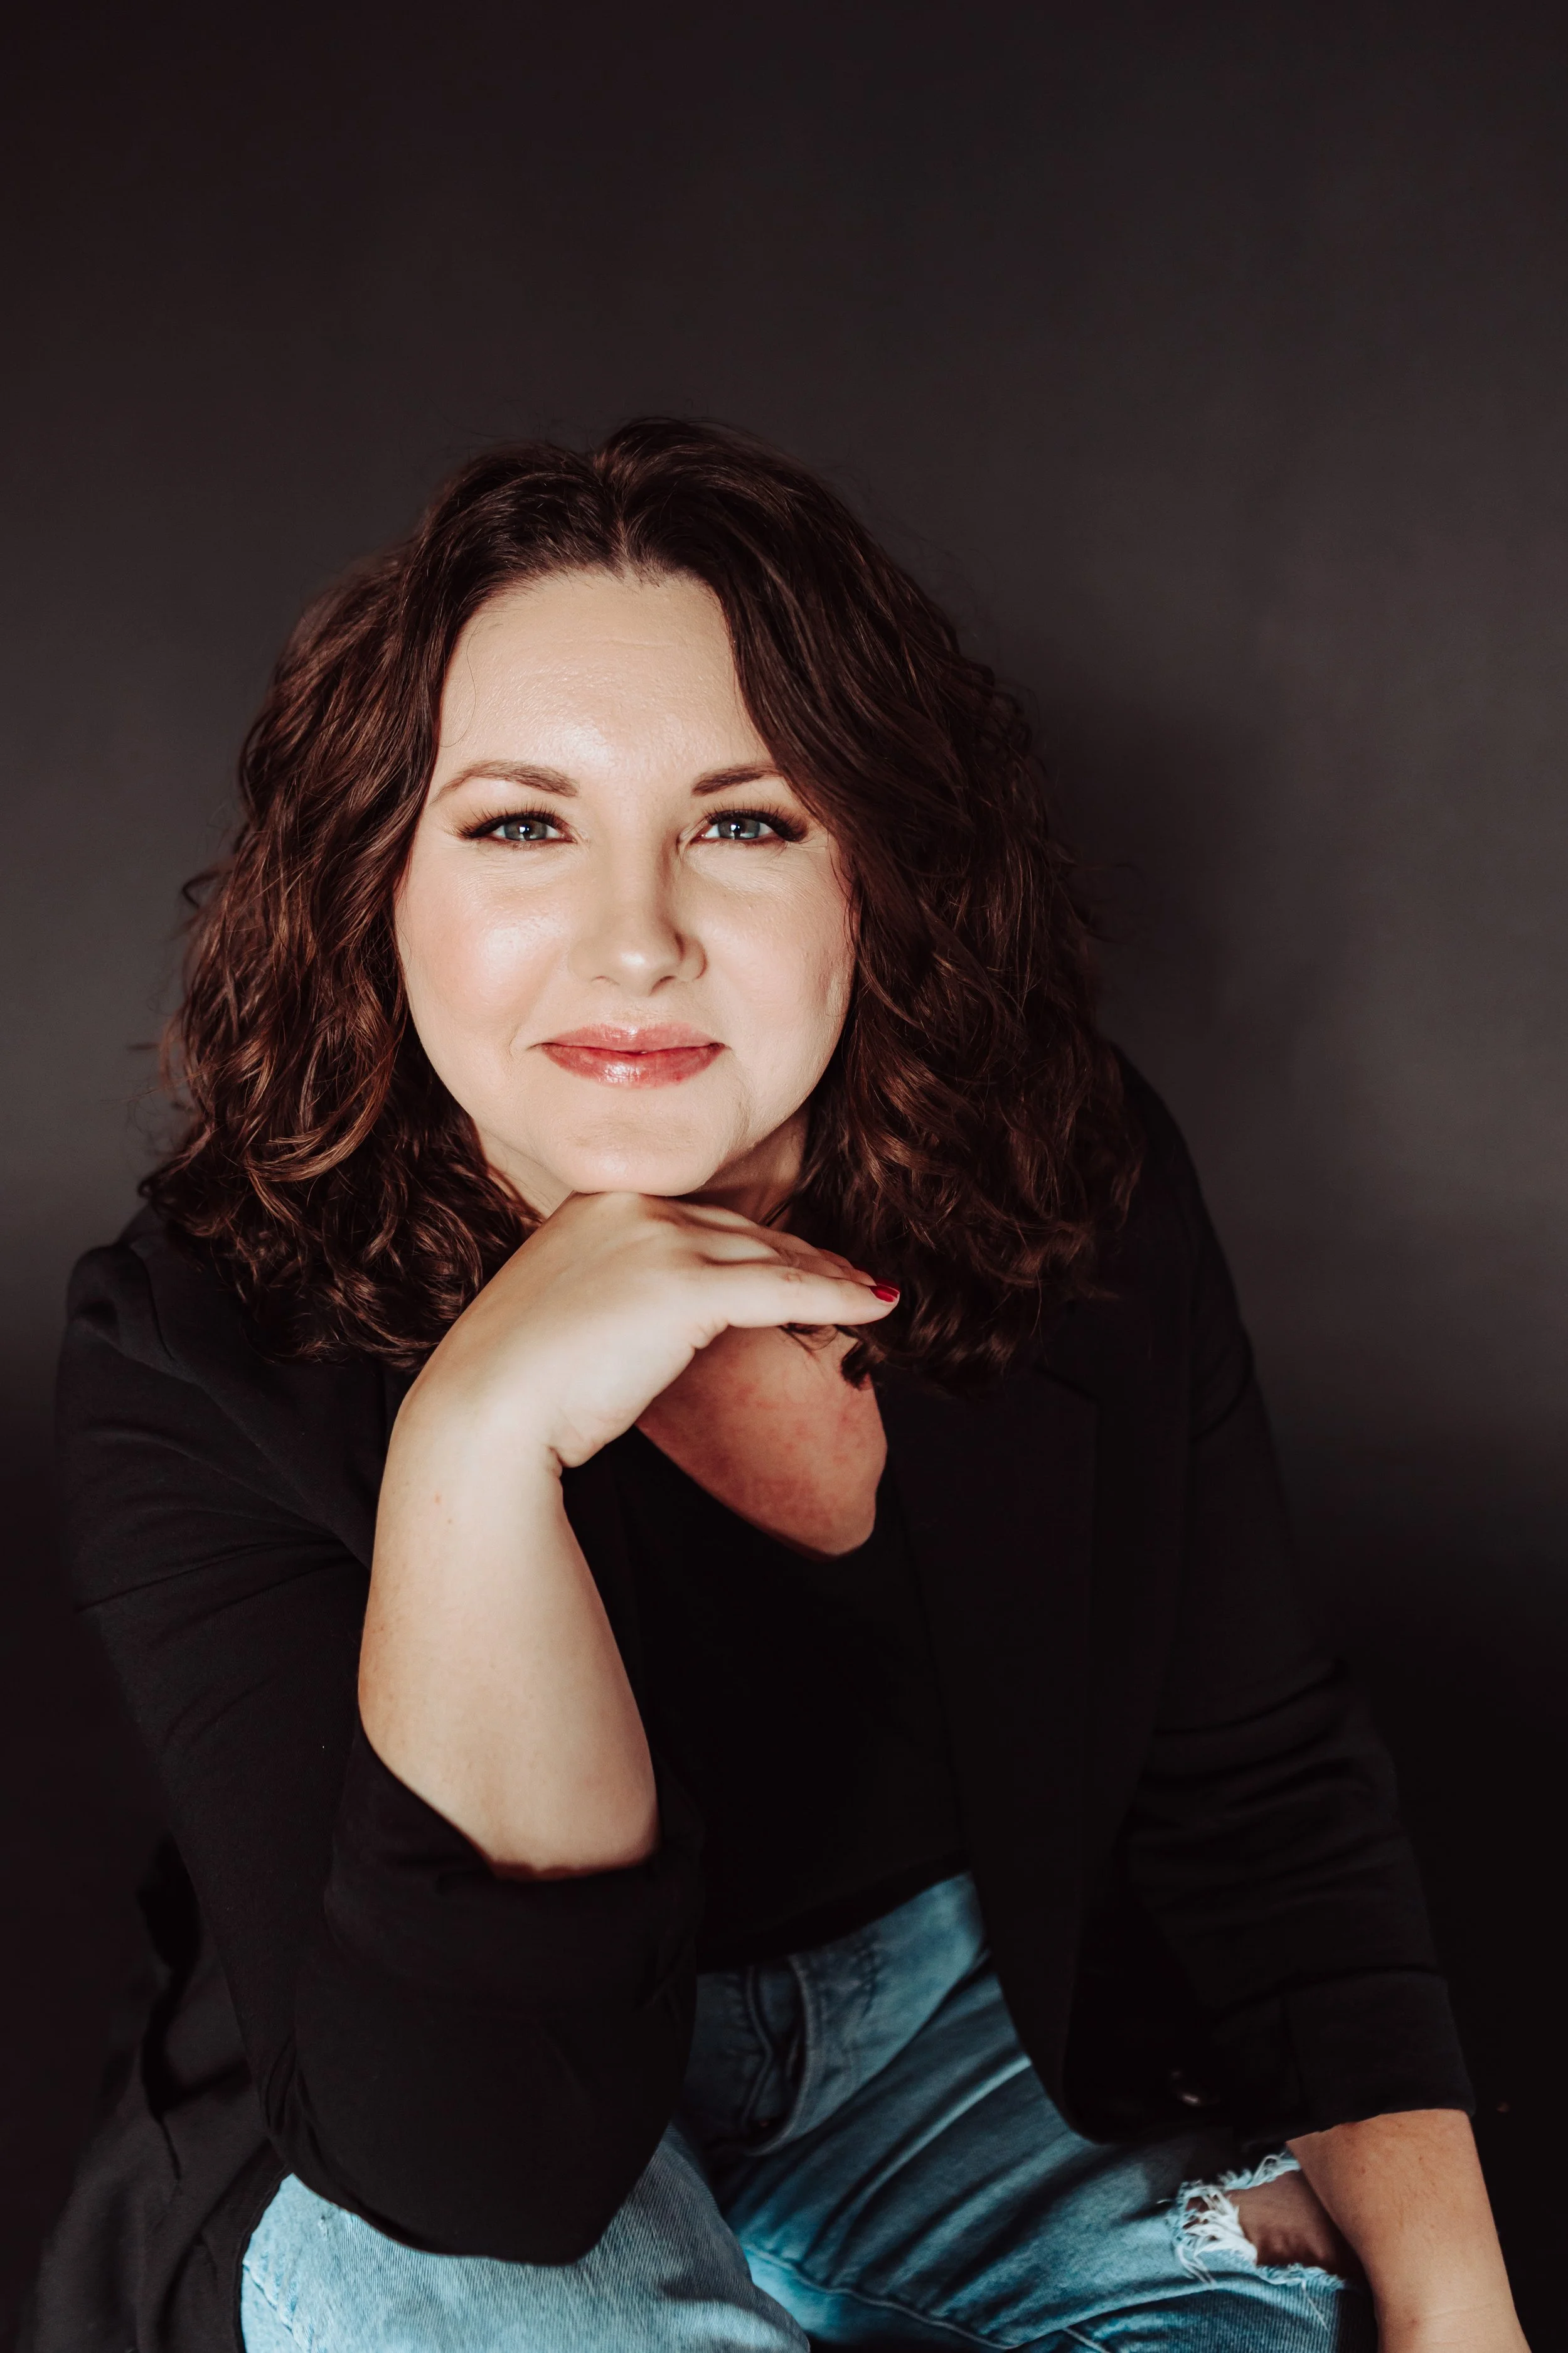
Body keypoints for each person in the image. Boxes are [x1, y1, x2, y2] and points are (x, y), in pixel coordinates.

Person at [34, 421, 1525, 2353]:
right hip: (442, 2145)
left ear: (874, 874)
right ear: (378, 889)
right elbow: (483, 2168)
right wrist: (476, 1444)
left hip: (961, 2076)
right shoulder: (194, 1341)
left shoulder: (1061, 1175)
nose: (635, 937)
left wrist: (1462, 2310)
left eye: (742, 821)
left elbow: (1259, 1804)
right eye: (519, 823)